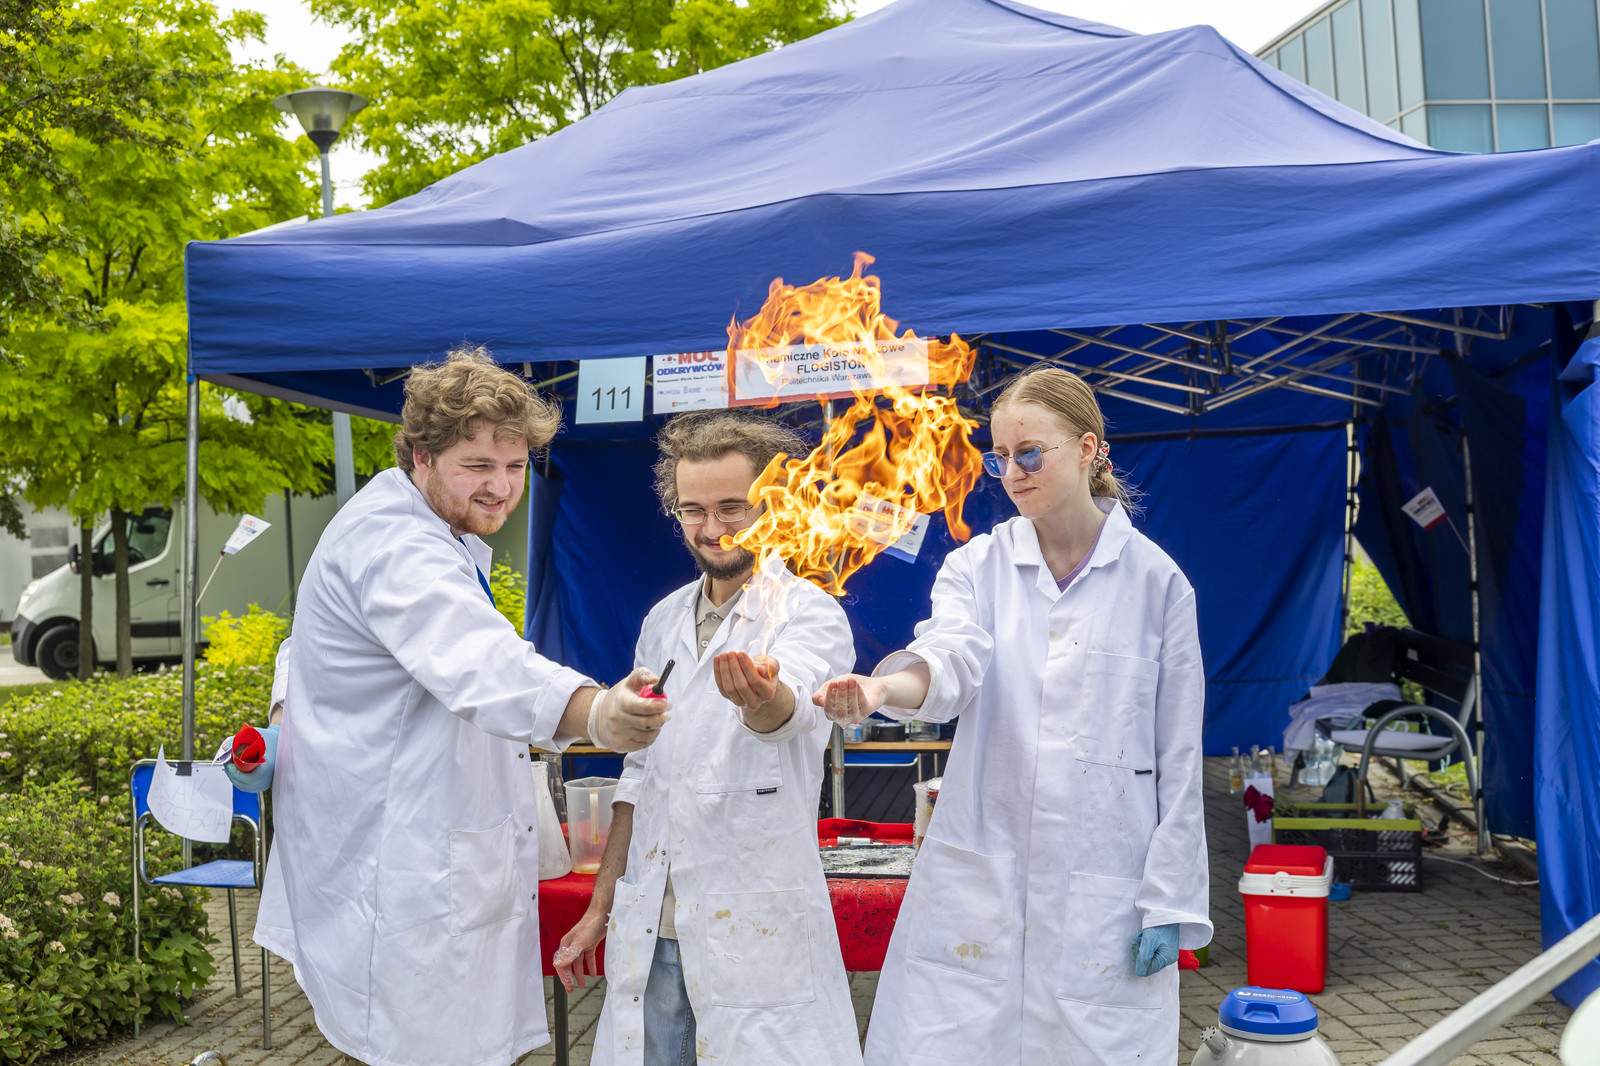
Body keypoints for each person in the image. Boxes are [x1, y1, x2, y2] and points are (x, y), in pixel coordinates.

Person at [226, 347, 671, 1066]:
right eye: (478, 465)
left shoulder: (422, 525)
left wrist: (290, 710)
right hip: (401, 874)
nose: (501, 487)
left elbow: (309, 644)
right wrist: (595, 713)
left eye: (516, 466)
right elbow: (479, 660)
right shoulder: (398, 545)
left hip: (415, 850)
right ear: (423, 456)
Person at [815, 367, 1210, 1065]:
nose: (1013, 473)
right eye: (1000, 457)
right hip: (979, 882)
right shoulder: (978, 568)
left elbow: (1178, 757)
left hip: (1103, 886)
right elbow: (950, 660)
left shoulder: (1158, 584)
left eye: (1030, 453)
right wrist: (881, 691)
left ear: (1088, 449)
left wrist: (1171, 900)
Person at [555, 411, 863, 1066]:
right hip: (656, 924)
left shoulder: (807, 611)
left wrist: (762, 696)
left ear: (773, 502)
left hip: (754, 919)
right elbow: (639, 776)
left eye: (732, 507)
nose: (712, 528)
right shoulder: (663, 620)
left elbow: (794, 709)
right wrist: (601, 905)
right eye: (693, 510)